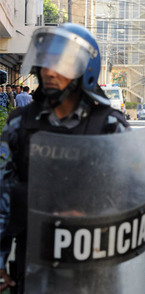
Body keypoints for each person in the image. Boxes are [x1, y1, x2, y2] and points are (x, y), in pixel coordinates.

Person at [0, 23, 129, 293]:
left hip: (93, 264)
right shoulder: (19, 125)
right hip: (35, 262)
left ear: (85, 70)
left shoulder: (110, 127)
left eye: (61, 64)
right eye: (45, 63)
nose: (48, 71)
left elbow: (131, 196)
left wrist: (89, 215)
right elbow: (2, 196)